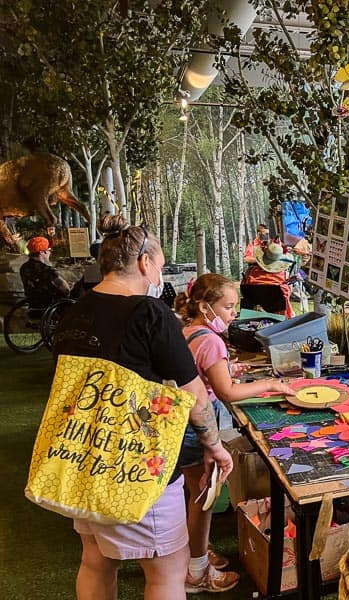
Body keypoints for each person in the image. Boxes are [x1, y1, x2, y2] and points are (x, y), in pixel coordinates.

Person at [51, 215, 233, 600]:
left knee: (96, 560)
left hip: (82, 459)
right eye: (161, 266)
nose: (160, 276)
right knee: (168, 568)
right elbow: (196, 396)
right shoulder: (150, 313)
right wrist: (215, 447)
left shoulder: (73, 312)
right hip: (136, 465)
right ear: (145, 262)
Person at [174, 273, 294, 593]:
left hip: (181, 423)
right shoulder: (212, 341)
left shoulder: (188, 331)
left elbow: (201, 372)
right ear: (205, 307)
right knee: (204, 496)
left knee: (194, 492)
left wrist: (226, 369)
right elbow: (226, 392)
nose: (233, 314)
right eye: (228, 307)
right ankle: (197, 570)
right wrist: (270, 384)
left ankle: (196, 550)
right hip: (197, 426)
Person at [241, 224, 297, 317]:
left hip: (254, 306)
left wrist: (261, 261)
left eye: (267, 234)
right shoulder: (283, 275)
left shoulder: (250, 275)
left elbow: (244, 288)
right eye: (263, 234)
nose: (266, 236)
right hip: (277, 311)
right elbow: (286, 293)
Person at [20, 236, 71, 309]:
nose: (50, 253)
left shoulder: (24, 267)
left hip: (33, 306)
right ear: (42, 252)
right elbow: (65, 289)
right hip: (51, 306)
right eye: (49, 250)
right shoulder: (44, 269)